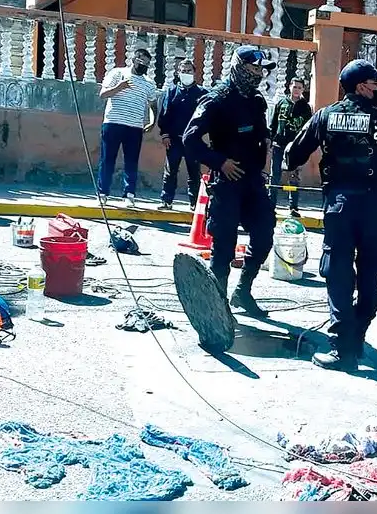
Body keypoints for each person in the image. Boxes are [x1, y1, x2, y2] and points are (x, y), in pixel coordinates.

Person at [284, 60, 377, 371]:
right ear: (362, 86)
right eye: (376, 83)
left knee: (338, 273)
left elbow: (292, 154)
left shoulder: (326, 115)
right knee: (370, 270)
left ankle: (342, 348)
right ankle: (357, 338)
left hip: (339, 205)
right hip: (375, 205)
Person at [182, 46, 277, 317]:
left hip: (252, 182)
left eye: (260, 70)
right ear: (239, 68)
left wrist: (265, 155)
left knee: (265, 232)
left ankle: (242, 291)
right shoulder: (217, 100)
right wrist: (219, 162)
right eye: (253, 69)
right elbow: (190, 139)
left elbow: (261, 133)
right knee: (223, 246)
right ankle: (217, 303)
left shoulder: (257, 101)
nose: (258, 74)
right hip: (227, 182)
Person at [98, 48, 159, 208]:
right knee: (107, 159)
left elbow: (153, 104)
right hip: (113, 123)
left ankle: (129, 195)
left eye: (146, 63)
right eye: (140, 61)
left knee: (131, 161)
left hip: (135, 127)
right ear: (133, 59)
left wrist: (152, 122)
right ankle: (103, 193)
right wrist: (120, 87)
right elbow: (103, 94)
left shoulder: (148, 83)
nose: (143, 65)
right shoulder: (118, 73)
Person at [157, 59, 207, 211]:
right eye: (183, 71)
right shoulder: (171, 91)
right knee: (170, 171)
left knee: (194, 173)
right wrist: (164, 134)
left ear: (194, 73)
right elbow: (164, 114)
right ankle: (166, 200)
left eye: (189, 71)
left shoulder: (202, 93)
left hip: (193, 141)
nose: (186, 73)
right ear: (178, 73)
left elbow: (207, 116)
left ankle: (194, 203)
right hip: (173, 140)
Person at [269, 76, 313, 217]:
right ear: (289, 87)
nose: (297, 90)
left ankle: (293, 207)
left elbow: (308, 129)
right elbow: (273, 124)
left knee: (294, 176)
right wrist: (270, 140)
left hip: (295, 147)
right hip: (278, 145)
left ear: (303, 90)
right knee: (274, 176)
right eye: (295, 87)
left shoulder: (305, 107)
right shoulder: (281, 103)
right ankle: (271, 205)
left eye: (299, 88)